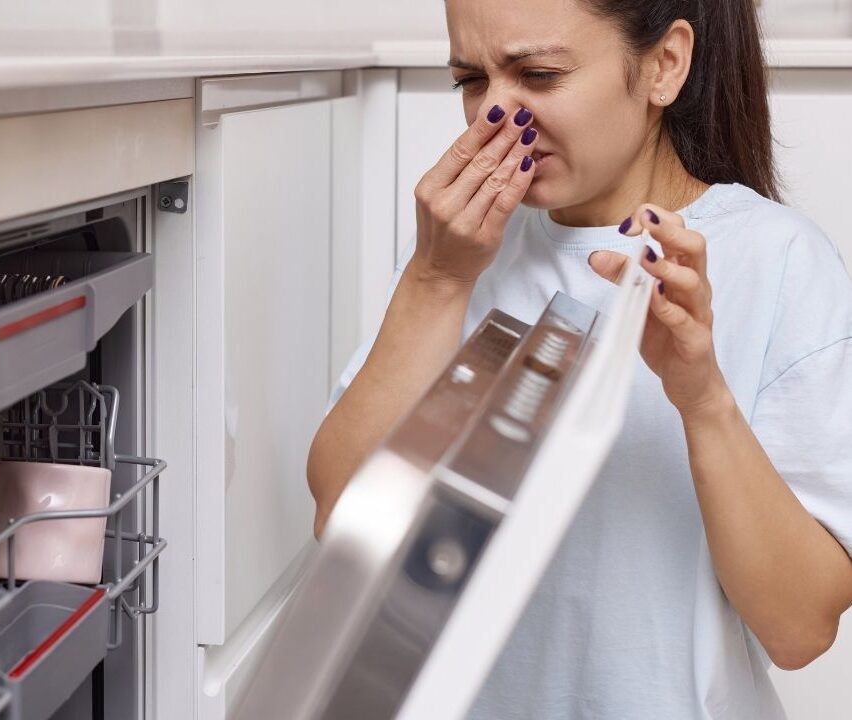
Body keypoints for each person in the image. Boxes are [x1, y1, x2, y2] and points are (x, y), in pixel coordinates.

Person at [306, 0, 852, 717]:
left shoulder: (778, 261)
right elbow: (343, 526)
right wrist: (435, 282)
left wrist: (701, 397)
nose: (497, 116)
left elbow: (799, 628)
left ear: (664, 65)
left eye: (538, 74)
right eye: (471, 79)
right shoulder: (460, 255)